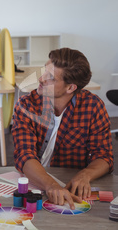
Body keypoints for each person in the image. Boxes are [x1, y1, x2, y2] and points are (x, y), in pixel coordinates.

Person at [12, 48, 114, 210]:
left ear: (70, 88)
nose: (41, 78)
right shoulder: (26, 105)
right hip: (36, 181)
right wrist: (51, 185)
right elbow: (25, 154)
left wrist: (85, 175)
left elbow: (103, 156)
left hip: (70, 185)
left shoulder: (93, 106)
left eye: (50, 78)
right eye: (45, 71)